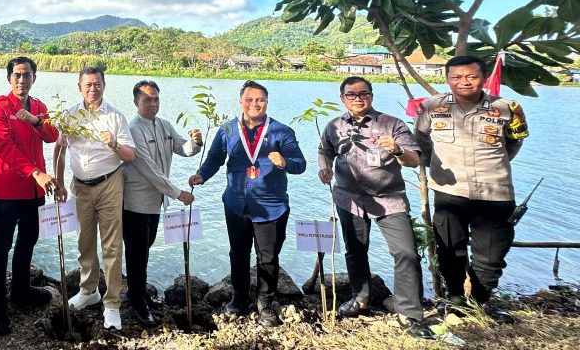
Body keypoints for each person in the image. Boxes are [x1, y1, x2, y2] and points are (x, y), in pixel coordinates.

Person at [415, 55, 528, 323]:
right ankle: (454, 302)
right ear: (447, 79)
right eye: (456, 77)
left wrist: (492, 164)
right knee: (449, 251)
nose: (463, 82)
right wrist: (438, 168)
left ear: (484, 78)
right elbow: (421, 141)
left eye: (471, 76)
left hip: (495, 193)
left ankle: (480, 303)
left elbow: (514, 143)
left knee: (491, 257)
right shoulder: (431, 107)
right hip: (448, 193)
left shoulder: (507, 108)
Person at [318, 77, 432, 339]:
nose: (358, 99)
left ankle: (410, 314)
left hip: (388, 198)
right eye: (351, 95)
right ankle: (360, 298)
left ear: (371, 95)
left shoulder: (391, 124)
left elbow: (413, 160)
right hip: (349, 199)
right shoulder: (334, 125)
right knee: (355, 251)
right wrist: (324, 167)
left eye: (363, 93)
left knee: (406, 253)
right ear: (342, 97)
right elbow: (324, 150)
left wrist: (398, 149)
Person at [189, 80, 305, 327]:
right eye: (250, 100)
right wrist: (201, 175)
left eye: (260, 99)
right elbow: (214, 160)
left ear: (267, 102)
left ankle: (265, 302)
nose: (255, 104)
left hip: (271, 206)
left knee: (268, 257)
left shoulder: (281, 131)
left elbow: (300, 164)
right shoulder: (228, 130)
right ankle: (239, 298)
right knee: (238, 254)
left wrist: (284, 161)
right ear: (241, 102)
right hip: (236, 204)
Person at [54, 66, 136, 331]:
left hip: (110, 184)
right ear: (80, 87)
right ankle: (89, 291)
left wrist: (113, 143)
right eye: (88, 84)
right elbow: (60, 149)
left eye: (97, 83)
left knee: (112, 246)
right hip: (79, 187)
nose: (93, 88)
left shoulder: (116, 116)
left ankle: (112, 304)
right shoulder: (70, 115)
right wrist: (58, 182)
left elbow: (130, 155)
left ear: (104, 85)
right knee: (84, 242)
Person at [0, 56, 61, 335]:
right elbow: (3, 145)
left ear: (34, 78)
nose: (21, 80)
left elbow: (52, 136)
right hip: (7, 189)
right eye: (16, 75)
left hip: (34, 191)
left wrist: (36, 121)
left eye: (26, 75)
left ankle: (20, 290)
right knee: (1, 245)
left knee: (28, 241)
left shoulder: (39, 107)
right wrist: (35, 172)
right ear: (9, 79)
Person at [123, 80, 200, 326]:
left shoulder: (164, 125)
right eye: (147, 99)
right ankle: (136, 301)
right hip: (135, 203)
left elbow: (183, 149)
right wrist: (179, 193)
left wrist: (196, 142)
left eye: (155, 98)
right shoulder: (133, 129)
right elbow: (149, 169)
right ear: (136, 102)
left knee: (145, 250)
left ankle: (139, 292)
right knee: (137, 254)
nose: (153, 103)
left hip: (156, 203)